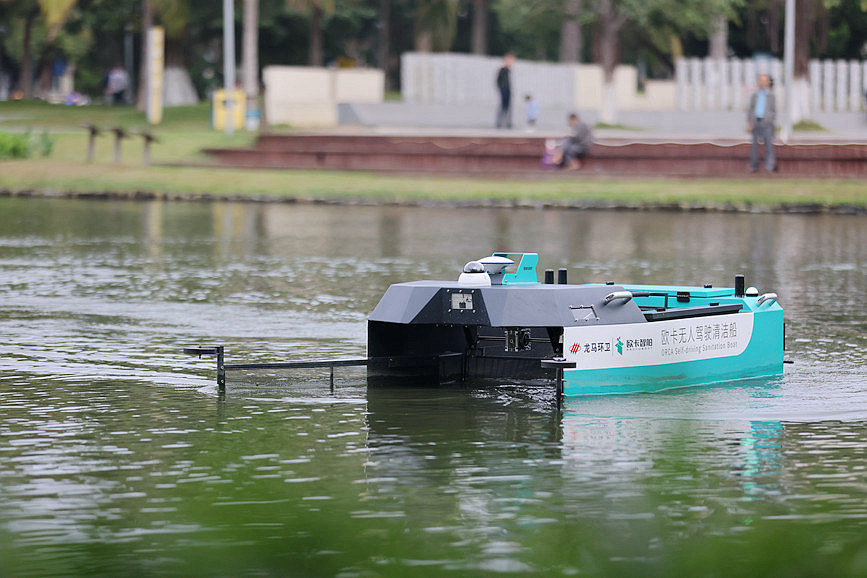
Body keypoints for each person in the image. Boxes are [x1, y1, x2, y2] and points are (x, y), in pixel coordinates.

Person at [747, 73, 776, 172]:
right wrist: (750, 122)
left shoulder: (770, 95)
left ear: (768, 82)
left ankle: (769, 166)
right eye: (761, 80)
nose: (762, 82)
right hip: (756, 121)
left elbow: (773, 109)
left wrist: (770, 120)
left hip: (766, 122)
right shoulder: (755, 95)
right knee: (754, 146)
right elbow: (751, 109)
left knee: (769, 145)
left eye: (764, 80)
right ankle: (753, 166)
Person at [495, 53, 515, 129]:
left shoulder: (508, 70)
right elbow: (498, 81)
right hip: (504, 90)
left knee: (507, 106)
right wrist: (501, 88)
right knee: (503, 106)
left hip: (507, 90)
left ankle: (507, 122)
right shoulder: (502, 70)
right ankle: (500, 122)